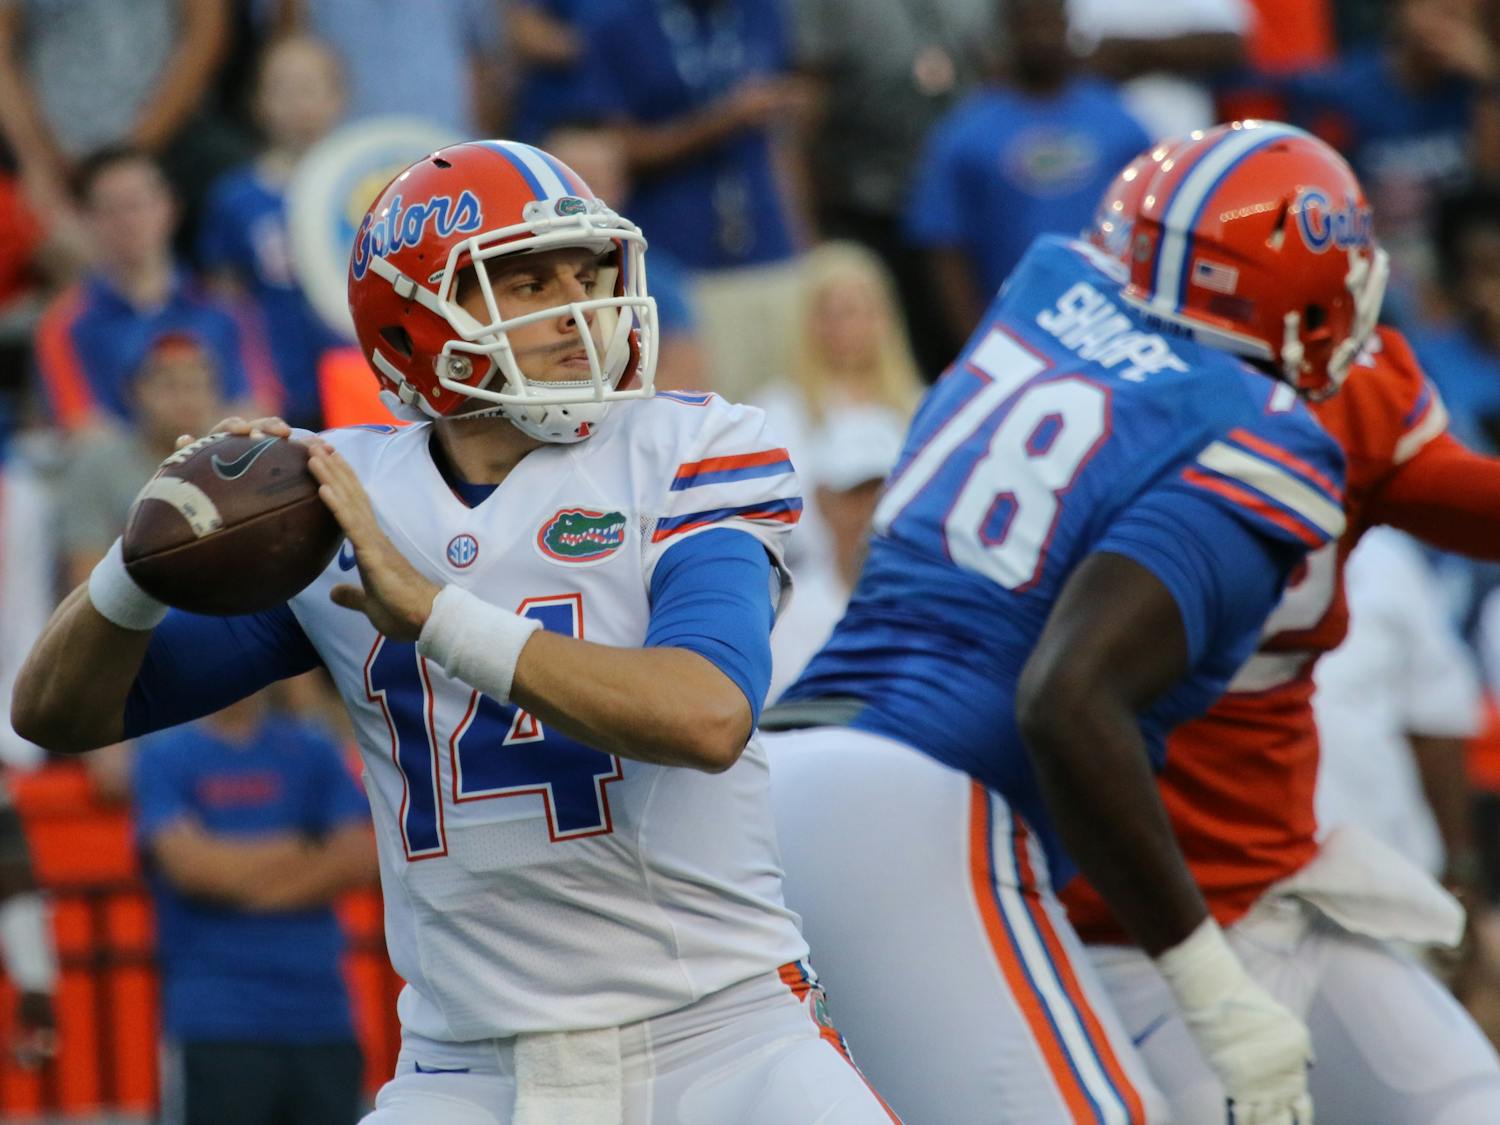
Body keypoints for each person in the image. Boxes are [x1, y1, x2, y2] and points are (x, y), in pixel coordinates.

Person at [11, 138, 897, 1125]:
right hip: (468, 1066)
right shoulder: (336, 496)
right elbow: (59, 714)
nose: (579, 306)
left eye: (587, 270)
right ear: (415, 326)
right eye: (524, 281)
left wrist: (436, 617)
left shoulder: (690, 447)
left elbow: (707, 714)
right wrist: (141, 565)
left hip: (718, 1034)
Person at [761, 120, 1377, 1124]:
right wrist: (1216, 994)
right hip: (920, 807)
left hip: (776, 783)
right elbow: (1066, 699)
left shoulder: (1047, 289)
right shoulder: (1265, 434)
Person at [1060, 135, 1500, 1124]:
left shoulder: (1344, 396)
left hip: (1277, 886)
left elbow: (1447, 491)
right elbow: (1062, 701)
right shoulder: (1111, 417)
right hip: (1122, 932)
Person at [134, 692, 375, 1125]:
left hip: (323, 1020)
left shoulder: (313, 747)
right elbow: (191, 868)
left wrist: (233, 880)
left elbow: (359, 856)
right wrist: (305, 846)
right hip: (217, 1024)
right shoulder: (164, 755)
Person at [905, 0, 1150, 353]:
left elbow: (1154, 226)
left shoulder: (1120, 123)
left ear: (1068, 27)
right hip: (1013, 333)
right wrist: (977, 345)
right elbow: (944, 247)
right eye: (1029, 25)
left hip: (1115, 330)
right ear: (1007, 32)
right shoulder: (965, 134)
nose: (1042, 37)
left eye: (1050, 23)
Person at [32, 147, 274, 432]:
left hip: (218, 462)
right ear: (87, 220)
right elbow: (79, 428)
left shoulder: (227, 308)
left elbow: (260, 405)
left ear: (170, 207)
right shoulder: (65, 324)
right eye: (110, 209)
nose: (127, 221)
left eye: (137, 204)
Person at [199, 33, 347, 430]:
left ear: (338, 98)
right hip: (276, 388)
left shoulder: (369, 186)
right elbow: (224, 300)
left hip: (360, 379)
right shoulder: (237, 197)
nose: (299, 105)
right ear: (258, 103)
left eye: (310, 89)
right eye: (283, 90)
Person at [753, 240, 924, 574]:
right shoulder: (776, 409)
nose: (845, 326)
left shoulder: (921, 406)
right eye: (830, 312)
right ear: (808, 321)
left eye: (857, 311)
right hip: (812, 580)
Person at [54, 331, 223, 588]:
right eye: (170, 386)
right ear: (136, 391)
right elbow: (85, 580)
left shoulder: (228, 461)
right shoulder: (99, 464)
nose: (186, 399)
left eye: (197, 385)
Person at [767, 406, 906, 702]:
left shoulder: (925, 604)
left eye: (881, 492)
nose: (870, 513)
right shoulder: (787, 615)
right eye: (855, 496)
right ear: (823, 501)